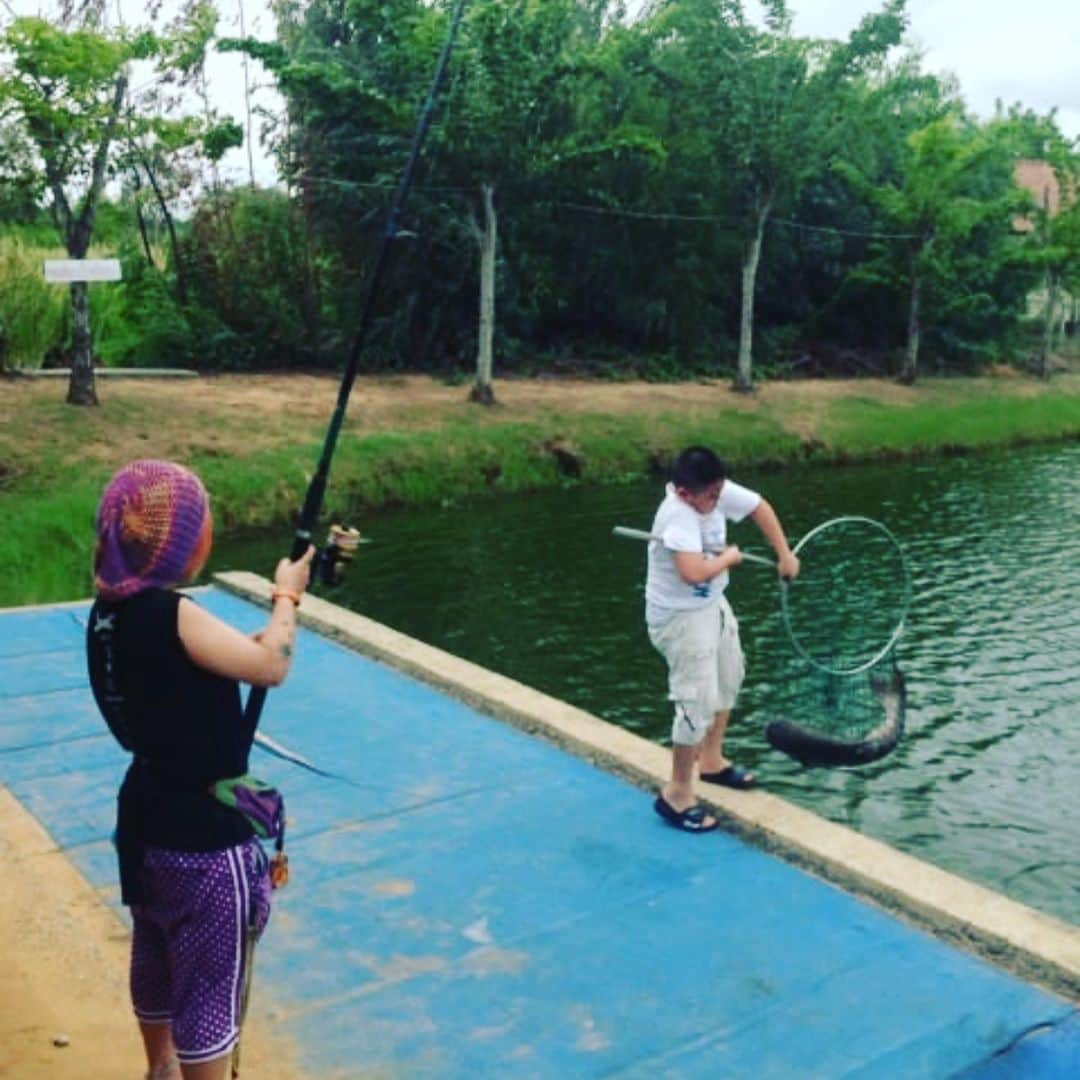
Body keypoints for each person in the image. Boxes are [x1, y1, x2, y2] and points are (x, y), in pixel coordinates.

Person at [85, 459, 314, 1080]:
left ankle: (157, 1069)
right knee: (209, 991)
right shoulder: (173, 614)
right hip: (207, 844)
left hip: (145, 824)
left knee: (155, 956)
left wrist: (259, 633)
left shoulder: (108, 616)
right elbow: (272, 666)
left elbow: (186, 665)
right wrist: (286, 596)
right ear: (184, 543)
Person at [645, 446, 799, 833]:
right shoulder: (676, 516)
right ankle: (677, 793)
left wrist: (784, 554)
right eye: (708, 497)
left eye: (718, 493)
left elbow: (759, 507)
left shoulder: (713, 491)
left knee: (730, 677)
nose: (716, 502)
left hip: (712, 606)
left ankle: (711, 761)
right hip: (679, 618)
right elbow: (693, 572)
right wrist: (728, 558)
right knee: (695, 701)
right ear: (684, 493)